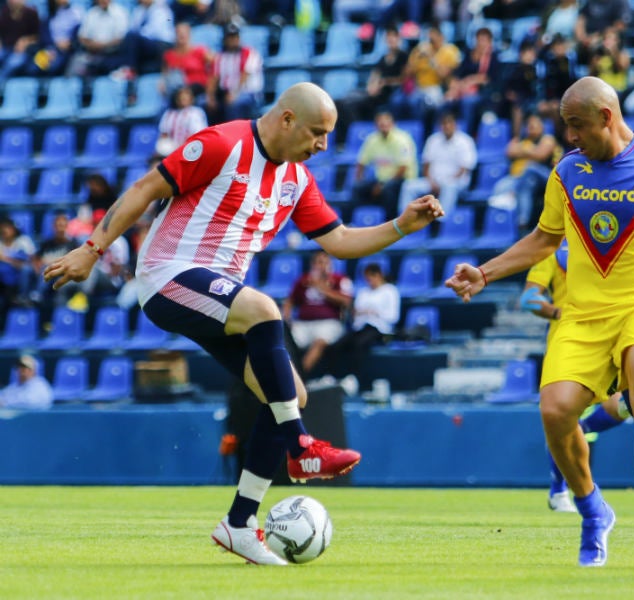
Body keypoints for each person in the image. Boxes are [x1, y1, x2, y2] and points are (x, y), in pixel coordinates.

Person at [44, 81, 445, 566]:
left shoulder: (296, 179)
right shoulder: (221, 144)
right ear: (287, 120)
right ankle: (302, 446)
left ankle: (239, 522)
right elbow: (145, 189)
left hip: (214, 296)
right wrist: (92, 250)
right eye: (317, 133)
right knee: (264, 310)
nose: (323, 145)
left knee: (289, 396)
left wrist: (401, 226)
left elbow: (339, 241)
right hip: (167, 275)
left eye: (328, 135)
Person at [446, 77, 634, 568]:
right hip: (583, 315)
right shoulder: (568, 171)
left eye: (577, 125)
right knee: (554, 411)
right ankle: (594, 511)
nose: (570, 136)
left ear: (607, 118)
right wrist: (484, 273)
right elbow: (544, 239)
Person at [518, 241, 629, 513]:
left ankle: (584, 431)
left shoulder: (610, 245)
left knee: (629, 403)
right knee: (567, 416)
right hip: (569, 344)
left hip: (610, 337)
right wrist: (559, 312)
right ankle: (559, 491)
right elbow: (528, 298)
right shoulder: (553, 252)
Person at [315, 262, 400, 378]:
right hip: (360, 328)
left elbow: (393, 316)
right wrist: (358, 313)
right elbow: (356, 314)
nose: (370, 281)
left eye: (372, 277)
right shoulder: (363, 292)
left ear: (379, 275)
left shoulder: (391, 291)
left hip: (379, 329)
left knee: (359, 345)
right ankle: (333, 377)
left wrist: (374, 312)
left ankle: (354, 378)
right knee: (336, 346)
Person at [282, 251, 354, 377]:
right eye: (318, 262)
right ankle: (283, 376)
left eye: (325, 262)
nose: (322, 266)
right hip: (303, 323)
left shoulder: (339, 280)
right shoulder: (303, 280)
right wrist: (287, 320)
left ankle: (297, 377)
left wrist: (322, 288)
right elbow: (290, 301)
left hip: (329, 323)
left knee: (320, 341)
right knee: (286, 343)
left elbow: (346, 301)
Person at [488, 112, 561, 230]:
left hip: (545, 176)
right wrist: (529, 150)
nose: (530, 128)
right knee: (501, 187)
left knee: (530, 167)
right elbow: (509, 151)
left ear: (541, 126)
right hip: (522, 179)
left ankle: (512, 195)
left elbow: (540, 155)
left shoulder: (547, 139)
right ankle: (520, 222)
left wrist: (522, 150)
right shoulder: (521, 138)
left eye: (534, 125)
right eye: (529, 125)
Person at [397, 111, 477, 215]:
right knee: (409, 186)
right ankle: (404, 218)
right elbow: (426, 164)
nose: (447, 126)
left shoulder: (465, 141)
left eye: (449, 123)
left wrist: (444, 182)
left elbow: (464, 169)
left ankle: (440, 221)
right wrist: (431, 181)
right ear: (440, 126)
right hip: (433, 182)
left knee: (449, 186)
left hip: (456, 182)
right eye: (444, 124)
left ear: (455, 125)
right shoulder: (433, 140)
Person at [350, 109, 419, 211]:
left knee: (388, 190)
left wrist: (382, 186)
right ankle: (359, 221)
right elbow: (361, 162)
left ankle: (389, 222)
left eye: (386, 121)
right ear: (376, 124)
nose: (383, 124)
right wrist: (359, 179)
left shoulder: (402, 139)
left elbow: (403, 168)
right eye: (380, 121)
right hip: (381, 180)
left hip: (401, 180)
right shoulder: (372, 139)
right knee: (357, 187)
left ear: (393, 123)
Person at [205, 22, 264, 125]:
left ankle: (234, 135)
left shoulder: (249, 53)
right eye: (230, 37)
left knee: (234, 104)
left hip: (247, 92)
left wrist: (234, 93)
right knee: (203, 103)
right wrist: (210, 97)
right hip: (224, 92)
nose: (233, 40)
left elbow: (245, 75)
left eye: (235, 37)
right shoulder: (220, 56)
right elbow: (214, 77)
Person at [66, 0, 129, 78]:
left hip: (112, 53)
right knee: (77, 62)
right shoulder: (92, 13)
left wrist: (102, 45)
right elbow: (82, 37)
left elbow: (120, 38)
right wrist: (93, 45)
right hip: (92, 52)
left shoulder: (120, 13)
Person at [161, 22, 215, 99]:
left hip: (198, 89)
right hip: (178, 92)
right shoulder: (169, 55)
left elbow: (215, 64)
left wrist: (210, 87)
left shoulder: (200, 51)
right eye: (179, 33)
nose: (182, 35)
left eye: (184, 33)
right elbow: (165, 75)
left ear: (189, 34)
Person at [157, 86, 209, 157]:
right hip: (170, 151)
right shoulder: (169, 113)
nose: (183, 99)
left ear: (192, 98)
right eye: (181, 97)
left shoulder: (196, 112)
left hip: (190, 150)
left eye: (186, 97)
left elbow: (198, 134)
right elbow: (164, 134)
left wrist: (183, 146)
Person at [0, 0, 41, 84]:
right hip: (6, 48)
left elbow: (37, 36)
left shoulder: (31, 13)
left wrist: (26, 41)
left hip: (23, 51)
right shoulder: (4, 12)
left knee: (13, 63)